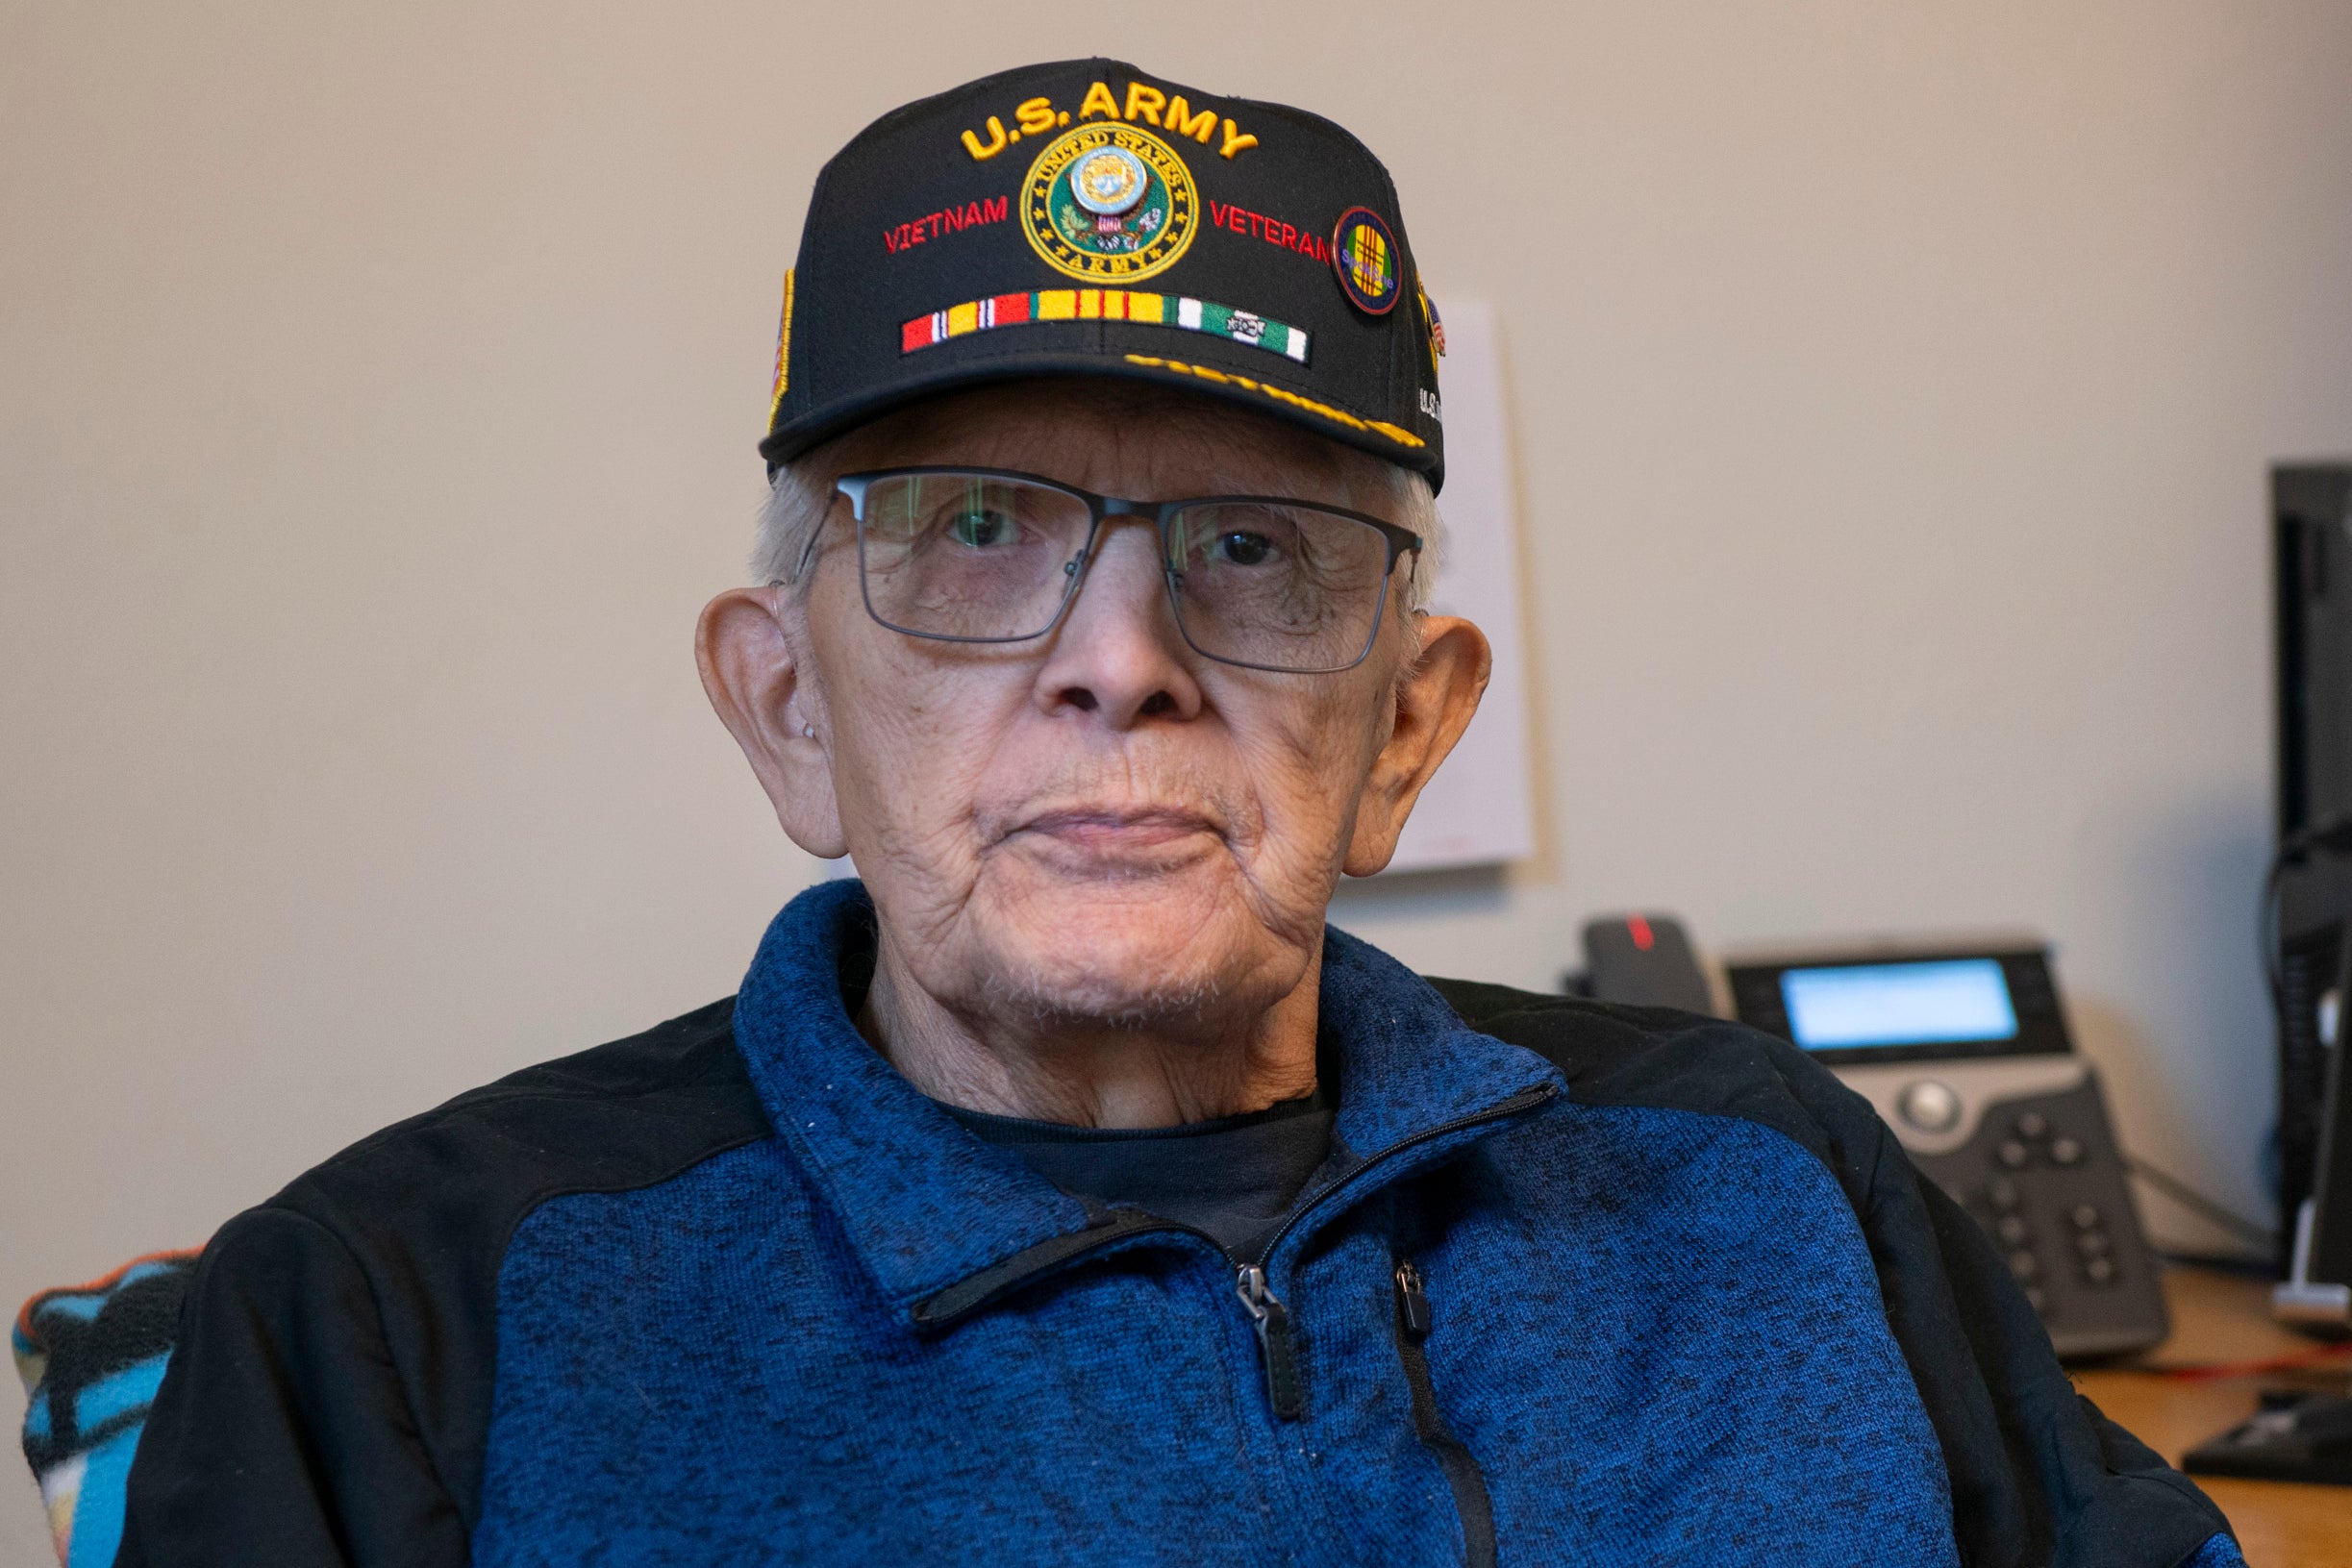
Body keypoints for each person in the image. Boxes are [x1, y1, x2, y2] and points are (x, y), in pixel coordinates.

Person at [108, 59, 2239, 1567]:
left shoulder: (1770, 1186)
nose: (1116, 656)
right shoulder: (392, 1318)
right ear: (784, 715)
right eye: (964, 532)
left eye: (1251, 551)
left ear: (1405, 730)